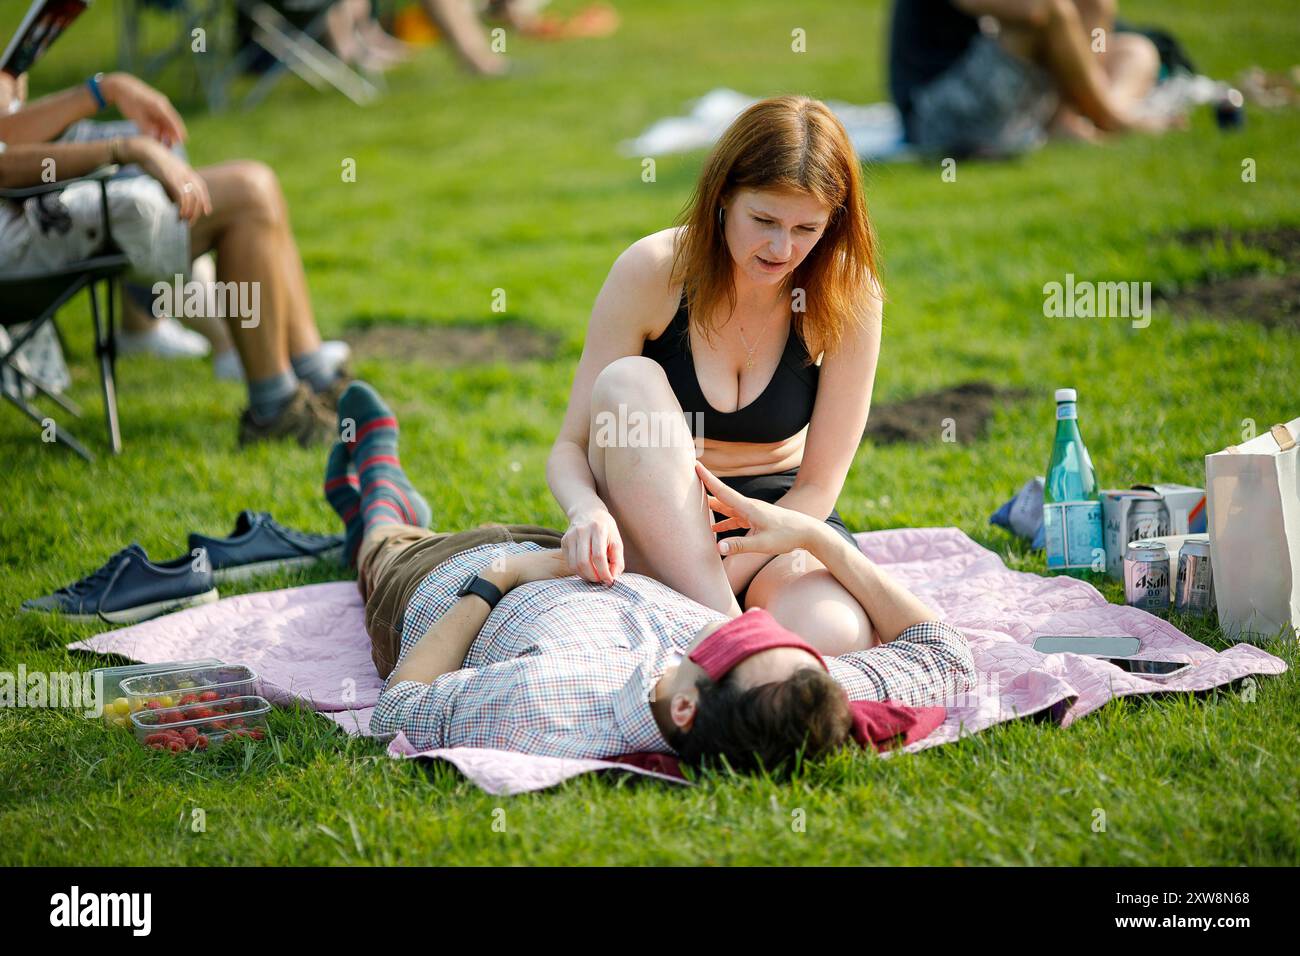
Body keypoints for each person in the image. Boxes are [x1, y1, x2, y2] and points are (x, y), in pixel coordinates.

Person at [325, 382, 974, 771]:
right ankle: (381, 515)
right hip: (581, 558)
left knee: (384, 549)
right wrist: (814, 536)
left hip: (447, 585)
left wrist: (502, 573)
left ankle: (377, 505)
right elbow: (942, 653)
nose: (739, 627)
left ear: (686, 708)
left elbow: (397, 712)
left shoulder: (552, 700)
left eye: (731, 645)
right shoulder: (786, 691)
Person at [546, 95, 884, 657]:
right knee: (628, 382)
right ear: (724, 196)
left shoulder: (848, 294)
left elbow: (818, 487)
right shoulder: (653, 271)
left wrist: (729, 566)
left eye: (807, 227)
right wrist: (587, 513)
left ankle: (701, 628)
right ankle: (734, 636)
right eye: (765, 221)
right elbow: (570, 448)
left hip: (774, 522)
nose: (782, 249)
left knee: (836, 635)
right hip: (654, 515)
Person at [0, 71, 348, 446]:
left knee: (258, 188)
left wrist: (107, 89)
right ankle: (277, 408)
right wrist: (124, 148)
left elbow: (5, 135)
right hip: (18, 236)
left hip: (27, 212)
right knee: (249, 192)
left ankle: (314, 379)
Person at [888, 0, 1171, 157]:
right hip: (937, 115)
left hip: (1009, 90)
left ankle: (1070, 117)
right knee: (1047, 11)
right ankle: (1110, 118)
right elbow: (1036, 10)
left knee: (1136, 51)